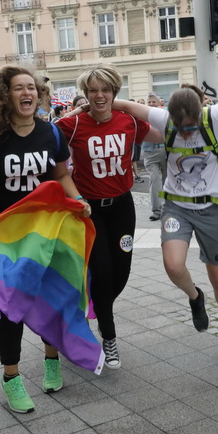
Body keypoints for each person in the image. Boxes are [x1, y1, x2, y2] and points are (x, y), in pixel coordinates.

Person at [0, 65, 90, 414]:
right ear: (5, 96)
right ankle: (11, 377)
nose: (27, 93)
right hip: (5, 235)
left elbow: (61, 175)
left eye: (31, 88)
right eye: (19, 88)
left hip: (46, 231)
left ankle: (52, 360)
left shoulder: (50, 133)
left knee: (51, 298)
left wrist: (78, 200)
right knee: (10, 308)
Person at [113, 85, 218, 364]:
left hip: (211, 208)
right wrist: (89, 105)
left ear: (200, 114)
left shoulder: (216, 115)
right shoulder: (164, 118)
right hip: (176, 207)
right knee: (173, 265)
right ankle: (194, 296)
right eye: (181, 129)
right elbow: (126, 106)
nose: (186, 133)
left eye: (190, 127)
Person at [55, 64, 152, 369]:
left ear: (114, 92)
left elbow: (166, 133)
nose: (99, 95)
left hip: (122, 208)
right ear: (85, 94)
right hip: (89, 211)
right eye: (92, 90)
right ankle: (108, 336)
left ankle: (94, 306)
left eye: (105, 90)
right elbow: (45, 135)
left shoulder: (128, 121)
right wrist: (76, 111)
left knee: (121, 273)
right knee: (103, 271)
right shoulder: (74, 125)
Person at [142, 93, 167, 221]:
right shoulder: (143, 115)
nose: (151, 104)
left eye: (154, 102)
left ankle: (168, 208)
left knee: (168, 181)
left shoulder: (165, 114)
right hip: (150, 152)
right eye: (149, 102)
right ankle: (156, 210)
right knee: (155, 179)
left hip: (166, 151)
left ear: (159, 103)